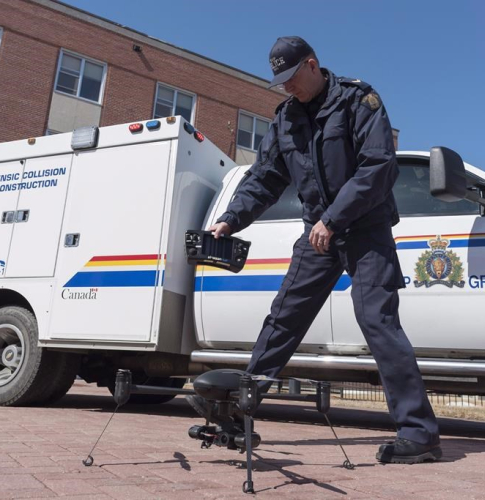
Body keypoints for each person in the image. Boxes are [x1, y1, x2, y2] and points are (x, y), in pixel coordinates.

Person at [188, 36, 441, 464]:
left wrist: (333, 219)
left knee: (376, 320)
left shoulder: (359, 101)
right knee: (284, 317)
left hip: (365, 228)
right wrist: (231, 218)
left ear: (312, 64)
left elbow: (379, 166)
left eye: (291, 78)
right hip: (318, 233)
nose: (287, 87)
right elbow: (265, 178)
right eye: (280, 81)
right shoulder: (285, 118)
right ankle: (237, 410)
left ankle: (419, 433)